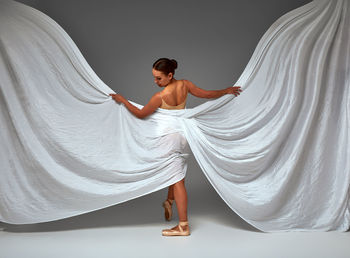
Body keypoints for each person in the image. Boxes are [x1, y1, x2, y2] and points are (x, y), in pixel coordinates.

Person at [109, 58, 242, 236]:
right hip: (184, 136)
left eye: (159, 78)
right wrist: (226, 90)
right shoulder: (185, 85)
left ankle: (183, 226)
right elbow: (206, 94)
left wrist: (122, 100)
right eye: (154, 78)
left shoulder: (160, 97)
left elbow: (140, 114)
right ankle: (169, 202)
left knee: (177, 179)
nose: (155, 82)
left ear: (170, 75)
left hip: (169, 139)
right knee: (176, 173)